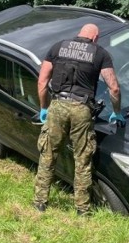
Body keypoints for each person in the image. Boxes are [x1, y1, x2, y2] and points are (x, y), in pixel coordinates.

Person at [33, 23, 124, 216]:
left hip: (58, 106)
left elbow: (42, 81)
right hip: (82, 109)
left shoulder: (58, 47)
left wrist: (43, 108)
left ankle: (40, 202)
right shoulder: (100, 53)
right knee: (82, 159)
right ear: (95, 38)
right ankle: (82, 209)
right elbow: (114, 88)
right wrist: (117, 111)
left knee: (48, 154)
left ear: (79, 34)